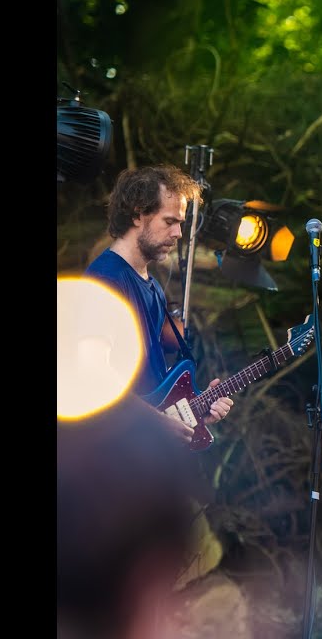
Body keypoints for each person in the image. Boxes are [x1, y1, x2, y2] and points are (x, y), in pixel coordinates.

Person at [84, 164, 234, 440]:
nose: (178, 233)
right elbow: (93, 372)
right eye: (170, 222)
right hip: (110, 454)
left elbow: (150, 385)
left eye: (180, 223)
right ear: (137, 215)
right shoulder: (106, 279)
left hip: (144, 452)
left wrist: (196, 409)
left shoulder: (152, 287)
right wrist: (154, 421)